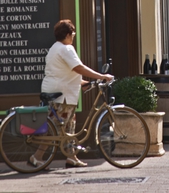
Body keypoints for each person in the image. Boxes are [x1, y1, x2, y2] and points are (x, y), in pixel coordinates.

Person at [30, 19, 113, 169]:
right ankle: (36, 157)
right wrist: (102, 76)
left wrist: (84, 84)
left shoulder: (54, 48)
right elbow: (78, 68)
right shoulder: (66, 49)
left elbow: (64, 73)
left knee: (69, 128)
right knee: (53, 130)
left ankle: (71, 157)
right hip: (62, 96)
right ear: (68, 34)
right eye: (73, 33)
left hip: (59, 92)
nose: (73, 36)